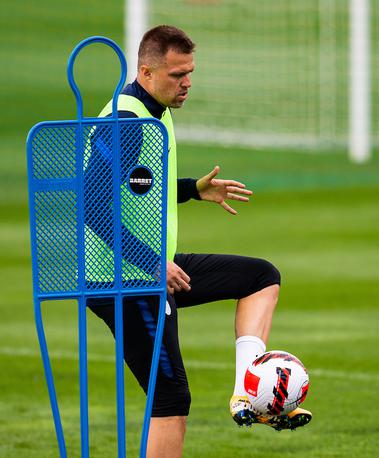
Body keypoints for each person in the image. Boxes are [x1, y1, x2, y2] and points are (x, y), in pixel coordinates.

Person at [85, 25, 311, 457]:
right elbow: (92, 205)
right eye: (177, 74)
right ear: (147, 72)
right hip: (121, 283)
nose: (187, 82)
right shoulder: (127, 122)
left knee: (261, 277)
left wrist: (190, 189)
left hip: (150, 270)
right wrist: (152, 264)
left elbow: (137, 186)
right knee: (169, 399)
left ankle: (248, 390)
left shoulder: (156, 112)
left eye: (190, 72)